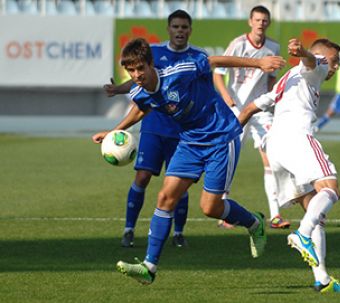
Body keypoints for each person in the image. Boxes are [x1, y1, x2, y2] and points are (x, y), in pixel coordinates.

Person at [92, 37, 285, 285]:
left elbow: (213, 61)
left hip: (221, 136)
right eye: (131, 70)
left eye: (141, 68)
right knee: (164, 198)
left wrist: (258, 63)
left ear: (151, 65)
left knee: (210, 208)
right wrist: (113, 131)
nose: (137, 74)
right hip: (190, 143)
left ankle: (253, 222)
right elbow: (141, 109)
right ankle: (149, 266)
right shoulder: (140, 91)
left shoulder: (179, 71)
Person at [238, 38, 340, 294]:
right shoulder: (317, 66)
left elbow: (251, 107)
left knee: (315, 212)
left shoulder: (288, 79)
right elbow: (313, 60)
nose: (336, 66)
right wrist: (302, 52)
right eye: (336, 61)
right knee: (331, 189)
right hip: (296, 138)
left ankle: (322, 279)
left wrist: (231, 132)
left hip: (276, 145)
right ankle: (301, 235)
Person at [100, 10, 202, 248]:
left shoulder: (197, 57)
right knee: (142, 176)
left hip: (182, 132)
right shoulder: (154, 52)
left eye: (184, 27)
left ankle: (178, 233)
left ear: (190, 30)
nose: (180, 31)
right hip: (154, 127)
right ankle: (129, 229)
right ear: (168, 29)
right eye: (175, 26)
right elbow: (139, 79)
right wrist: (119, 90)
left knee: (179, 183)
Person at [213, 5, 290, 229]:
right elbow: (218, 74)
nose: (260, 23)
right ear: (250, 21)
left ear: (268, 23)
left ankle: (275, 215)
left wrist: (272, 102)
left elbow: (270, 81)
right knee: (230, 158)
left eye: (264, 20)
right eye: (257, 20)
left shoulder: (273, 46)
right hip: (236, 110)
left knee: (271, 159)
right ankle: (223, 209)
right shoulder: (238, 44)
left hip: (260, 110)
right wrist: (229, 100)